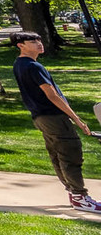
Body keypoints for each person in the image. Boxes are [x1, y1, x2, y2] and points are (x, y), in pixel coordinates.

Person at [10, 31, 101, 212]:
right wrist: (77, 119)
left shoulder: (19, 64)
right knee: (71, 155)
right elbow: (52, 95)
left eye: (39, 39)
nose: (39, 43)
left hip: (40, 117)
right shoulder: (34, 67)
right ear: (21, 45)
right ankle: (80, 197)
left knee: (58, 156)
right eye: (33, 41)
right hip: (53, 117)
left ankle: (74, 195)